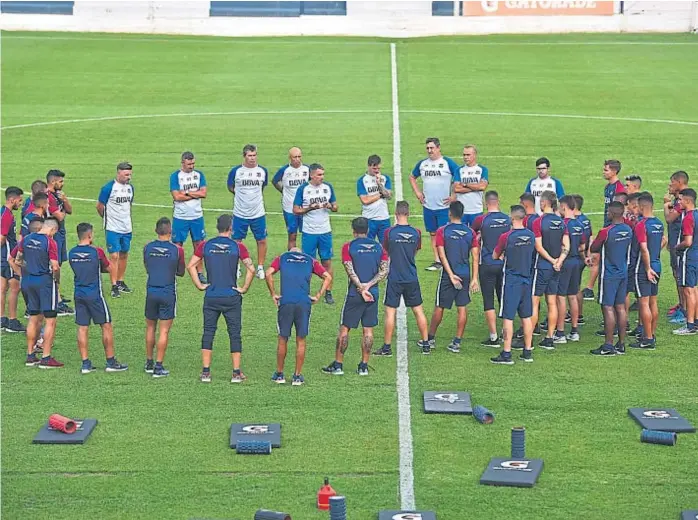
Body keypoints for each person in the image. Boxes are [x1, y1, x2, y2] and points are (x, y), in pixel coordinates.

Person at [187, 215, 255, 383]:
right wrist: (244, 288)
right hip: (231, 296)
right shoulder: (238, 247)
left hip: (211, 295)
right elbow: (251, 269)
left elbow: (190, 266)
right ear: (230, 228)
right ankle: (236, 373)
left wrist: (200, 285)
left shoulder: (205, 245)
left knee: (208, 332)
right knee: (234, 333)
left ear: (218, 227)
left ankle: (205, 372)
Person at [323, 217, 388, 376]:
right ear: (367, 230)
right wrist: (369, 286)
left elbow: (349, 269)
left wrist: (360, 287)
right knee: (368, 330)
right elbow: (385, 270)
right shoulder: (379, 248)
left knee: (345, 328)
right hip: (372, 293)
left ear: (353, 231)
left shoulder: (348, 247)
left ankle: (338, 365)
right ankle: (363, 366)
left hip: (355, 293)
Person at [266, 247, 332, 386]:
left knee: (283, 338)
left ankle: (279, 374)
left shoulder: (282, 258)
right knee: (301, 339)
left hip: (286, 302)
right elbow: (328, 277)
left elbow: (268, 273)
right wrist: (318, 295)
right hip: (303, 303)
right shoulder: (311, 261)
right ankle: (297, 376)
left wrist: (273, 293)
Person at [68, 223, 128, 374]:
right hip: (95, 294)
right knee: (106, 325)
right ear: (89, 235)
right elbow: (109, 268)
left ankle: (85, 363)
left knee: (82, 327)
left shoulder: (72, 253)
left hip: (79, 293)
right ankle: (110, 361)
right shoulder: (97, 252)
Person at [376, 201, 431, 355]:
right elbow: (415, 250)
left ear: (396, 213)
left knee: (390, 312)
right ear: (408, 213)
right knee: (418, 310)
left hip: (394, 277)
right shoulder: (416, 232)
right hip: (411, 276)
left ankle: (387, 347)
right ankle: (426, 344)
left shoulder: (389, 232)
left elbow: (386, 250)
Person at [9, 218, 63, 368]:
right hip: (44, 282)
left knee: (33, 318)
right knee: (50, 320)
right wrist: (56, 281)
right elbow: (55, 266)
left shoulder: (25, 239)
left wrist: (23, 275)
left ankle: (30, 355)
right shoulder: (50, 242)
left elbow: (16, 260)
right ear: (52, 230)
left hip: (28, 281)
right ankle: (46, 358)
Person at [427, 201, 480, 353]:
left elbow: (442, 255)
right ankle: (457, 342)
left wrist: (450, 275)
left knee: (440, 306)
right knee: (462, 307)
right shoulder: (470, 232)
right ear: (462, 214)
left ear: (450, 213)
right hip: (465, 274)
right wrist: (474, 278)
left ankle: (430, 338)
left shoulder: (443, 231)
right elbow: (475, 256)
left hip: (449, 274)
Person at [490, 205, 536, 365]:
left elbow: (495, 255)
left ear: (513, 218)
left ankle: (507, 352)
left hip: (511, 281)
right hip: (527, 279)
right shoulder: (531, 235)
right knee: (526, 317)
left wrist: (503, 255)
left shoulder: (506, 237)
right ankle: (527, 351)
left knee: (508, 317)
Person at [409, 137, 460, 271]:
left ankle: (448, 260)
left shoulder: (447, 163)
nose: (429, 151)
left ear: (438, 148)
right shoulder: (423, 164)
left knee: (445, 234)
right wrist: (418, 193)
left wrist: (454, 195)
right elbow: (412, 177)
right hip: (428, 206)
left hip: (444, 207)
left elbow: (459, 175)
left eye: (432, 148)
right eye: (427, 148)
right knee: (433, 233)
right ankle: (437, 260)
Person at [143, 217, 186, 378]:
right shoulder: (177, 250)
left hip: (151, 290)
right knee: (164, 330)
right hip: (167, 291)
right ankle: (159, 366)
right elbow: (180, 272)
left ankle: (149, 362)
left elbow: (147, 266)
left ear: (156, 231)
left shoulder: (147, 247)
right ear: (171, 232)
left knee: (150, 327)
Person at [589, 201, 632, 356]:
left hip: (608, 274)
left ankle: (608, 345)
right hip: (623, 272)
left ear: (612, 214)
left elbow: (594, 248)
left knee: (607, 307)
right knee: (620, 306)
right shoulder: (628, 230)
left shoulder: (606, 232)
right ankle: (621, 344)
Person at [293, 163, 338, 305]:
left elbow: (336, 206)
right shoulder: (303, 189)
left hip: (325, 231)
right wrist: (309, 208)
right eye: (319, 175)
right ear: (311, 175)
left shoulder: (328, 187)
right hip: (309, 232)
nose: (322, 177)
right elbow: (296, 209)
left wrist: (330, 206)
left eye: (323, 174)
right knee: (308, 263)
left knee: (327, 261)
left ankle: (328, 292)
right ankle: (305, 291)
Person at [582, 159, 626, 301]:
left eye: (606, 170)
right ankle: (590, 288)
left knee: (600, 256)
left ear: (614, 171)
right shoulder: (608, 187)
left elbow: (619, 211)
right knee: (598, 256)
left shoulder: (619, 189)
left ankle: (591, 289)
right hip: (607, 226)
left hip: (612, 228)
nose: (603, 172)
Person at [472, 191, 511, 347]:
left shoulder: (481, 220)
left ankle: (493, 337)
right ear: (498, 201)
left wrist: (479, 237)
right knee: (504, 299)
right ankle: (505, 334)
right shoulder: (507, 219)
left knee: (488, 300)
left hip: (486, 264)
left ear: (485, 202)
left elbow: (472, 237)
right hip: (504, 264)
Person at [531, 191, 567, 350]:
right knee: (552, 302)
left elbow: (538, 247)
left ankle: (529, 337)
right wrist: (559, 261)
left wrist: (552, 261)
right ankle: (550, 337)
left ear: (544, 203)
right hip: (557, 267)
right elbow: (566, 245)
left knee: (534, 302)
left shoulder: (538, 222)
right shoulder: (561, 222)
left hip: (542, 267)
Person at [227, 144, 269, 280]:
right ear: (244, 156)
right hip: (240, 213)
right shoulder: (236, 172)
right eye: (249, 156)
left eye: (254, 155)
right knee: (237, 241)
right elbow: (230, 187)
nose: (252, 158)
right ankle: (236, 266)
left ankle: (260, 267)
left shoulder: (262, 171)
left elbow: (262, 186)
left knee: (261, 240)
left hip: (258, 213)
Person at [631, 193, 665, 349]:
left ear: (642, 207)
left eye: (636, 206)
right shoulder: (658, 223)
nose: (634, 209)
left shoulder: (641, 225)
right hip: (657, 265)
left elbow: (644, 249)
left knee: (643, 303)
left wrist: (647, 268)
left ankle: (647, 338)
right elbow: (664, 240)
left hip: (644, 268)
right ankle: (651, 333)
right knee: (653, 301)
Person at [97, 162, 135, 298]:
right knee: (114, 256)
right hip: (112, 228)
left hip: (127, 227)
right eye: (126, 174)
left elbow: (129, 206)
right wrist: (107, 219)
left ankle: (120, 281)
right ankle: (113, 285)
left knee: (124, 254)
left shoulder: (130, 188)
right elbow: (100, 206)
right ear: (118, 173)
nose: (128, 177)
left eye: (130, 174)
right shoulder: (108, 188)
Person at [170, 151, 207, 284]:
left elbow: (203, 193)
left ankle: (200, 272)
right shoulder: (176, 176)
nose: (191, 166)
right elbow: (176, 197)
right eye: (189, 164)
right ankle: (175, 269)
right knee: (177, 245)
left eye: (193, 164)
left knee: (199, 244)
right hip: (180, 216)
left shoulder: (199, 175)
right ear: (182, 163)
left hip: (197, 216)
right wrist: (194, 194)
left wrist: (186, 192)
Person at [555, 195, 586, 342]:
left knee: (560, 297)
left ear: (564, 207)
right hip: (576, 262)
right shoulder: (580, 225)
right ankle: (574, 331)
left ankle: (560, 332)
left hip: (565, 262)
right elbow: (582, 246)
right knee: (572, 295)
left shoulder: (561, 225)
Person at [46, 169, 74, 315]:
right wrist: (61, 209)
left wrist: (65, 200)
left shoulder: (58, 196)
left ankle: (57, 293)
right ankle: (55, 299)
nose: (63, 184)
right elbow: (60, 216)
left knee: (60, 264)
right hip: (53, 234)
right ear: (53, 182)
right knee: (54, 265)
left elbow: (69, 211)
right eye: (60, 181)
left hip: (60, 232)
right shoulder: (48, 197)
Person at [664, 171, 690, 324]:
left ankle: (685, 310)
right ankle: (682, 304)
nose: (669, 185)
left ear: (679, 182)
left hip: (681, 245)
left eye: (671, 182)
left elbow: (669, 218)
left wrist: (666, 204)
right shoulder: (678, 199)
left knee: (681, 276)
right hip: (675, 242)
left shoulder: (683, 199)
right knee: (676, 274)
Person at [272, 147, 309, 250]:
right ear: (289, 157)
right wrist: (283, 191)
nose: (297, 159)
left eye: (299, 157)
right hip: (289, 207)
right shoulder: (284, 170)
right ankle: (292, 259)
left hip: (305, 207)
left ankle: (307, 258)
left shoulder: (307, 169)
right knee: (292, 235)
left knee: (307, 234)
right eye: (294, 157)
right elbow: (275, 181)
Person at [1, 186, 25, 333]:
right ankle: (12, 321)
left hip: (2, 257)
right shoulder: (7, 215)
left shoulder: (3, 212)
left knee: (2, 288)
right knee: (15, 288)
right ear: (12, 199)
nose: (20, 203)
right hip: (8, 257)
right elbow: (2, 238)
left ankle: (2, 319)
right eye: (19, 200)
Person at [674, 188, 698, 335]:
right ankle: (695, 321)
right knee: (694, 289)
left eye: (681, 200)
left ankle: (689, 325)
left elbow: (688, 242)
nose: (679, 202)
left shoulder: (688, 217)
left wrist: (678, 246)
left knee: (688, 291)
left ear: (688, 201)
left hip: (688, 257)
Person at [356, 154, 392, 241]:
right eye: (374, 168)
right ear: (368, 166)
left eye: (378, 169)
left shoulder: (385, 178)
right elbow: (365, 200)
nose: (376, 171)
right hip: (369, 219)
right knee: (367, 246)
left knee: (386, 247)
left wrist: (379, 184)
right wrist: (380, 194)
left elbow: (389, 196)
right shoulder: (362, 181)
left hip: (384, 218)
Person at [454, 145, 489, 227]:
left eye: (468, 155)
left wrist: (466, 185)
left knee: (476, 236)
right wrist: (476, 187)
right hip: (462, 211)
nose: (465, 157)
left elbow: (482, 187)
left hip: (476, 210)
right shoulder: (459, 170)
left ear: (474, 155)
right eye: (464, 155)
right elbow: (456, 188)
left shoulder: (482, 170)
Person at [572, 194, 592, 326]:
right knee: (576, 286)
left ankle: (576, 314)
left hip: (576, 256)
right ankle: (578, 314)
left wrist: (584, 256)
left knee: (572, 288)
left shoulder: (574, 222)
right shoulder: (586, 220)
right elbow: (590, 238)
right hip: (583, 256)